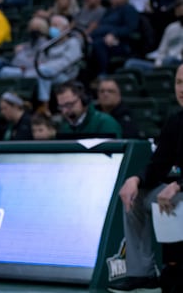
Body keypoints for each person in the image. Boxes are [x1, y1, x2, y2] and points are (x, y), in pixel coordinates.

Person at [108, 63, 183, 292]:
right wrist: (136, 179)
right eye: (179, 82)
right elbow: (157, 165)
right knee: (136, 197)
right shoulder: (176, 121)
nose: (182, 89)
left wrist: (179, 185)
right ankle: (142, 273)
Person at [54, 81, 123, 138]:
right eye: (61, 106)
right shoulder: (64, 128)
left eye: (69, 104)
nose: (65, 110)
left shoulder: (106, 123)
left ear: (84, 100)